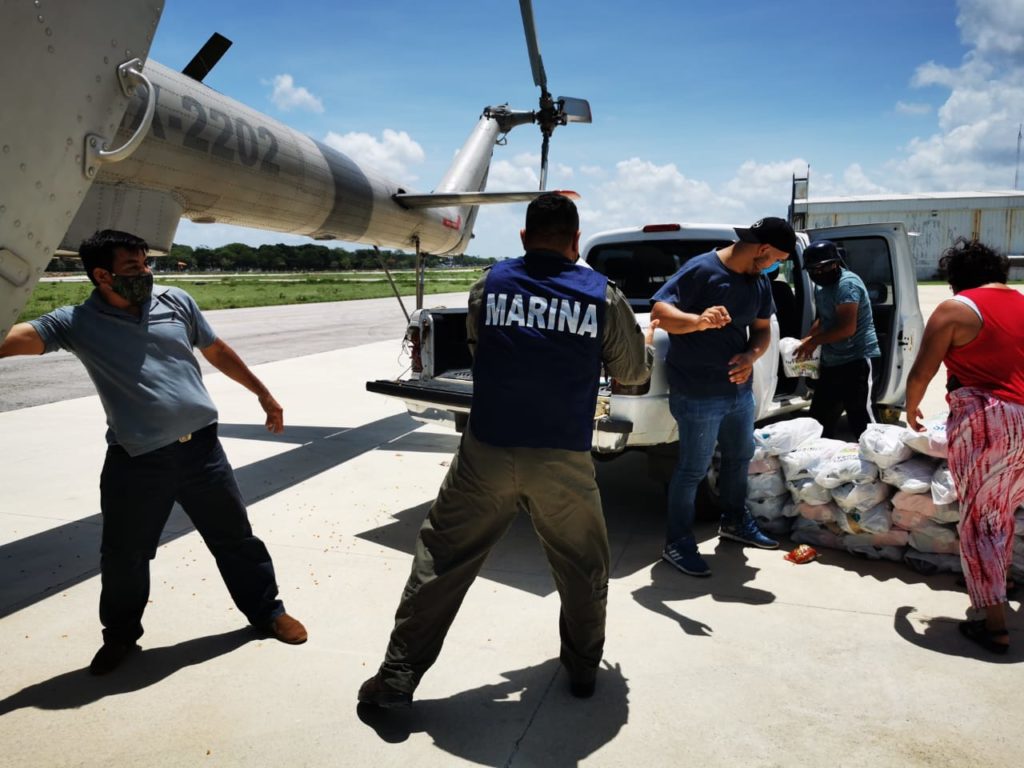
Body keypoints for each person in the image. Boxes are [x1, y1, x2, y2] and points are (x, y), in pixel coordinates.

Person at [358, 193, 656, 707]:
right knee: (583, 566)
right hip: (562, 456)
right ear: (576, 240)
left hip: (487, 450)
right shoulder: (601, 296)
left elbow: (481, 348)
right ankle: (583, 669)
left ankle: (397, 676)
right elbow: (633, 374)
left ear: (523, 237)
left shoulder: (489, 284)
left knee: (443, 559)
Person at [0, 230, 307, 674]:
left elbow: (216, 349)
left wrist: (263, 393)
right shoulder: (76, 323)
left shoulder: (175, 301)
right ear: (101, 275)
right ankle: (121, 637)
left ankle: (267, 612)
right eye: (132, 267)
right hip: (137, 460)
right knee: (124, 556)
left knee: (236, 540)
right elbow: (12, 340)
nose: (145, 273)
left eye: (146, 264)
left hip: (202, 451)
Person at [650, 217, 794, 577]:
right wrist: (698, 320)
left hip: (737, 392)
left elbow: (761, 330)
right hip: (698, 392)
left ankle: (734, 522)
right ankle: (677, 543)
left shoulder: (758, 281)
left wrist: (751, 356)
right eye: (779, 258)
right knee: (692, 470)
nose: (778, 266)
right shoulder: (702, 269)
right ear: (763, 249)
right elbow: (660, 314)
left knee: (738, 457)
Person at [906, 238, 1024, 654]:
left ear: (957, 279)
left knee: (981, 521)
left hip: (990, 421)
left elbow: (923, 368)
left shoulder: (957, 308)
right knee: (1003, 510)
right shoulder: (1022, 303)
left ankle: (992, 623)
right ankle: (999, 581)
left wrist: (912, 406)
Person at [795, 240, 880, 439]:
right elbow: (824, 319)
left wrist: (814, 342)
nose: (817, 273)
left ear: (835, 263)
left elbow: (846, 328)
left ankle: (880, 460)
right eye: (813, 269)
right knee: (818, 420)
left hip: (858, 359)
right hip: (833, 361)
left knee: (862, 418)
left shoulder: (847, 284)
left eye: (822, 267)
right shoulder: (821, 287)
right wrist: (807, 339)